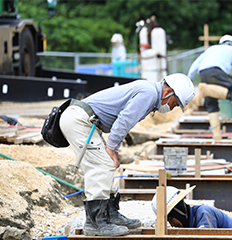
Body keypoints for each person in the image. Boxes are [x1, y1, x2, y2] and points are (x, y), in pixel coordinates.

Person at [59, 73, 195, 236]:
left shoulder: (149, 93)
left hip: (84, 121)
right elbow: (124, 120)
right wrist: (111, 148)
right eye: (175, 103)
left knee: (106, 164)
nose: (172, 108)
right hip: (79, 120)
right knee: (101, 166)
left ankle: (110, 215)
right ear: (168, 92)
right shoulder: (149, 94)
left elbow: (123, 120)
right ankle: (95, 223)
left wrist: (113, 149)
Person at [187, 34, 232, 140]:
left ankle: (217, 135)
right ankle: (205, 90)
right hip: (217, 72)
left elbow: (195, 65)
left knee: (212, 104)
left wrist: (189, 82)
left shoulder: (211, 49)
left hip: (203, 73)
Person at [151, 186, 232, 229]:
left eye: (171, 219)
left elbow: (205, 236)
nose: (171, 224)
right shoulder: (192, 221)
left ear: (179, 211)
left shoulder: (203, 213)